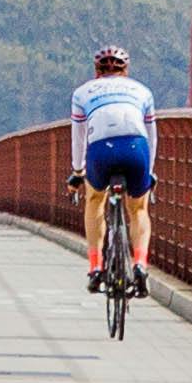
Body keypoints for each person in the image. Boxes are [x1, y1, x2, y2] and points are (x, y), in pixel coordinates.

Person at [67, 48, 159, 298]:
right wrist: (149, 172)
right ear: (125, 70)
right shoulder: (142, 91)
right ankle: (140, 265)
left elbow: (79, 139)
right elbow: (152, 136)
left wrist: (77, 172)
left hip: (101, 150)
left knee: (95, 199)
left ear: (97, 71)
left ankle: (95, 268)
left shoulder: (82, 93)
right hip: (136, 148)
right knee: (138, 209)